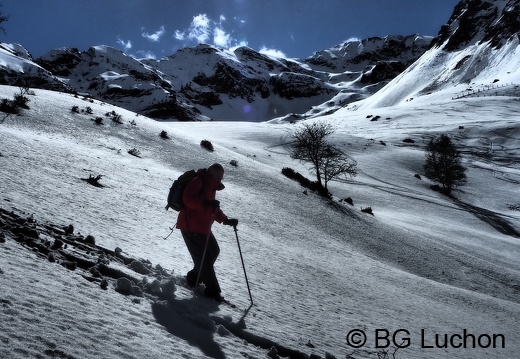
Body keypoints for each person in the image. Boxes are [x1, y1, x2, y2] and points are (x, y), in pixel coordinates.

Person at [176, 163, 238, 302]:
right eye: (218, 177)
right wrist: (206, 203)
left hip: (202, 228)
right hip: (191, 226)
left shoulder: (210, 186)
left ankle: (194, 277)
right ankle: (213, 290)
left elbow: (212, 208)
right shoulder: (198, 181)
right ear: (212, 174)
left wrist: (226, 220)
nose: (220, 180)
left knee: (213, 251)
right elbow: (188, 199)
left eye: (221, 178)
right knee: (204, 259)